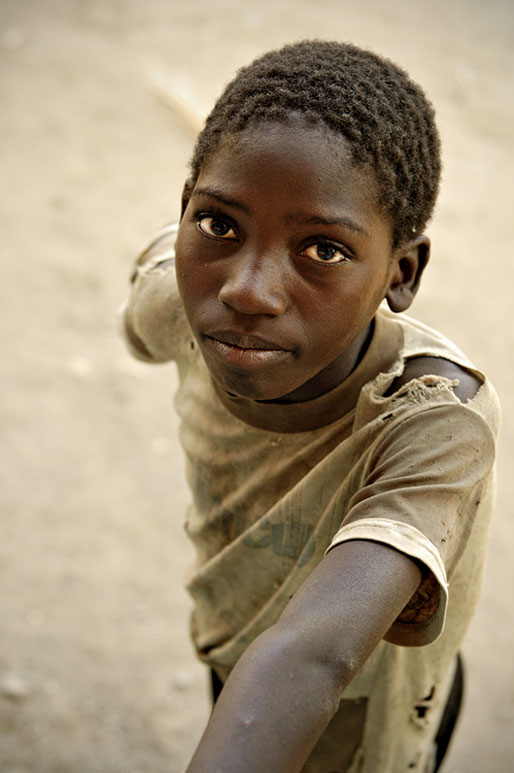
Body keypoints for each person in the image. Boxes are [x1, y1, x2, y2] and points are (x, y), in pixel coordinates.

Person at [121, 40, 500, 772]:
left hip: (363, 718)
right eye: (221, 224)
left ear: (403, 272)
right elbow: (157, 278)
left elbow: (313, 657)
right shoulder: (179, 299)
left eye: (322, 249)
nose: (247, 290)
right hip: (234, 654)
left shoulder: (432, 421)